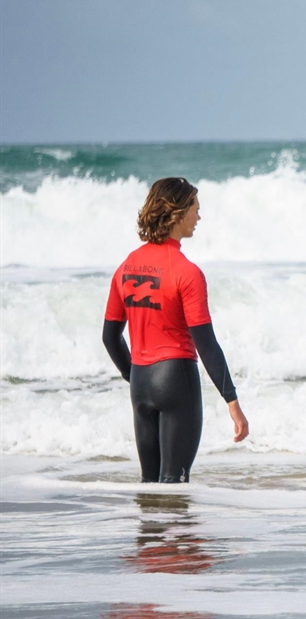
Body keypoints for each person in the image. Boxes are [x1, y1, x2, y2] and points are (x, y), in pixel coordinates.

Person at [102, 178, 249, 483]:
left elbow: (110, 337)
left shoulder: (126, 266)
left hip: (141, 384)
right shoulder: (187, 272)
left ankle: (150, 533)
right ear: (178, 214)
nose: (199, 216)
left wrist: (134, 376)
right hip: (175, 379)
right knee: (175, 484)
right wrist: (232, 402)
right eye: (195, 208)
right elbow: (206, 345)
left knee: (150, 484)